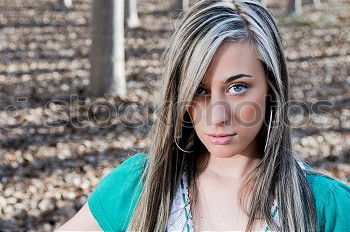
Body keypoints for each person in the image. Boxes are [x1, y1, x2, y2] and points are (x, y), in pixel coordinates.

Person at [55, 0, 350, 231]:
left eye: (238, 87)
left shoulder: (328, 206)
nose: (217, 116)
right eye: (198, 90)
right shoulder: (137, 187)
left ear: (271, 88)